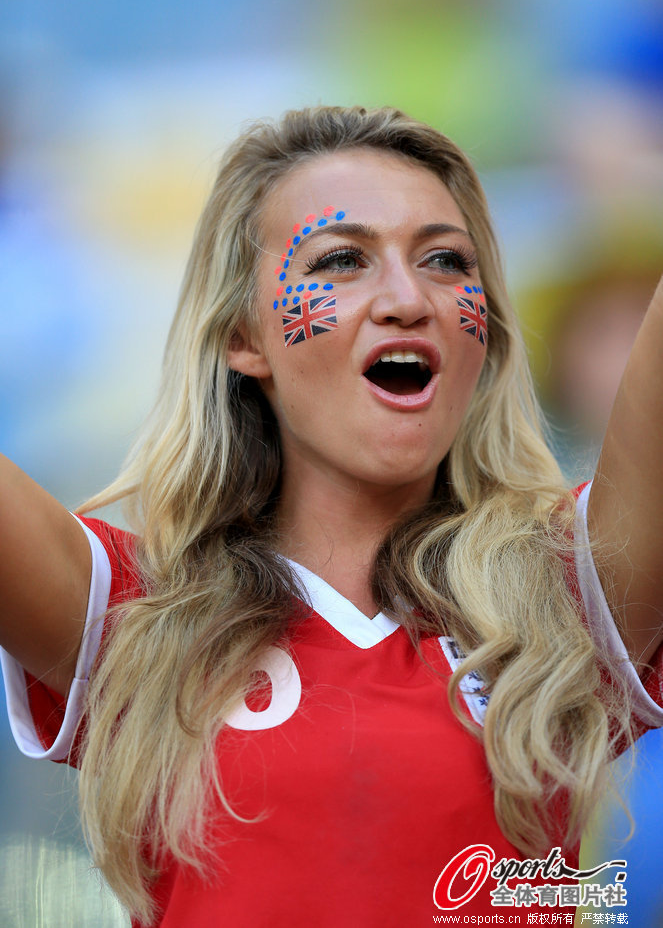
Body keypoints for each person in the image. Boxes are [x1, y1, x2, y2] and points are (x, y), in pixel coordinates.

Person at [1, 106, 661, 927]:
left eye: (445, 261)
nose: (407, 298)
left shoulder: (564, 596)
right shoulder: (131, 612)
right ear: (243, 335)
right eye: (341, 259)